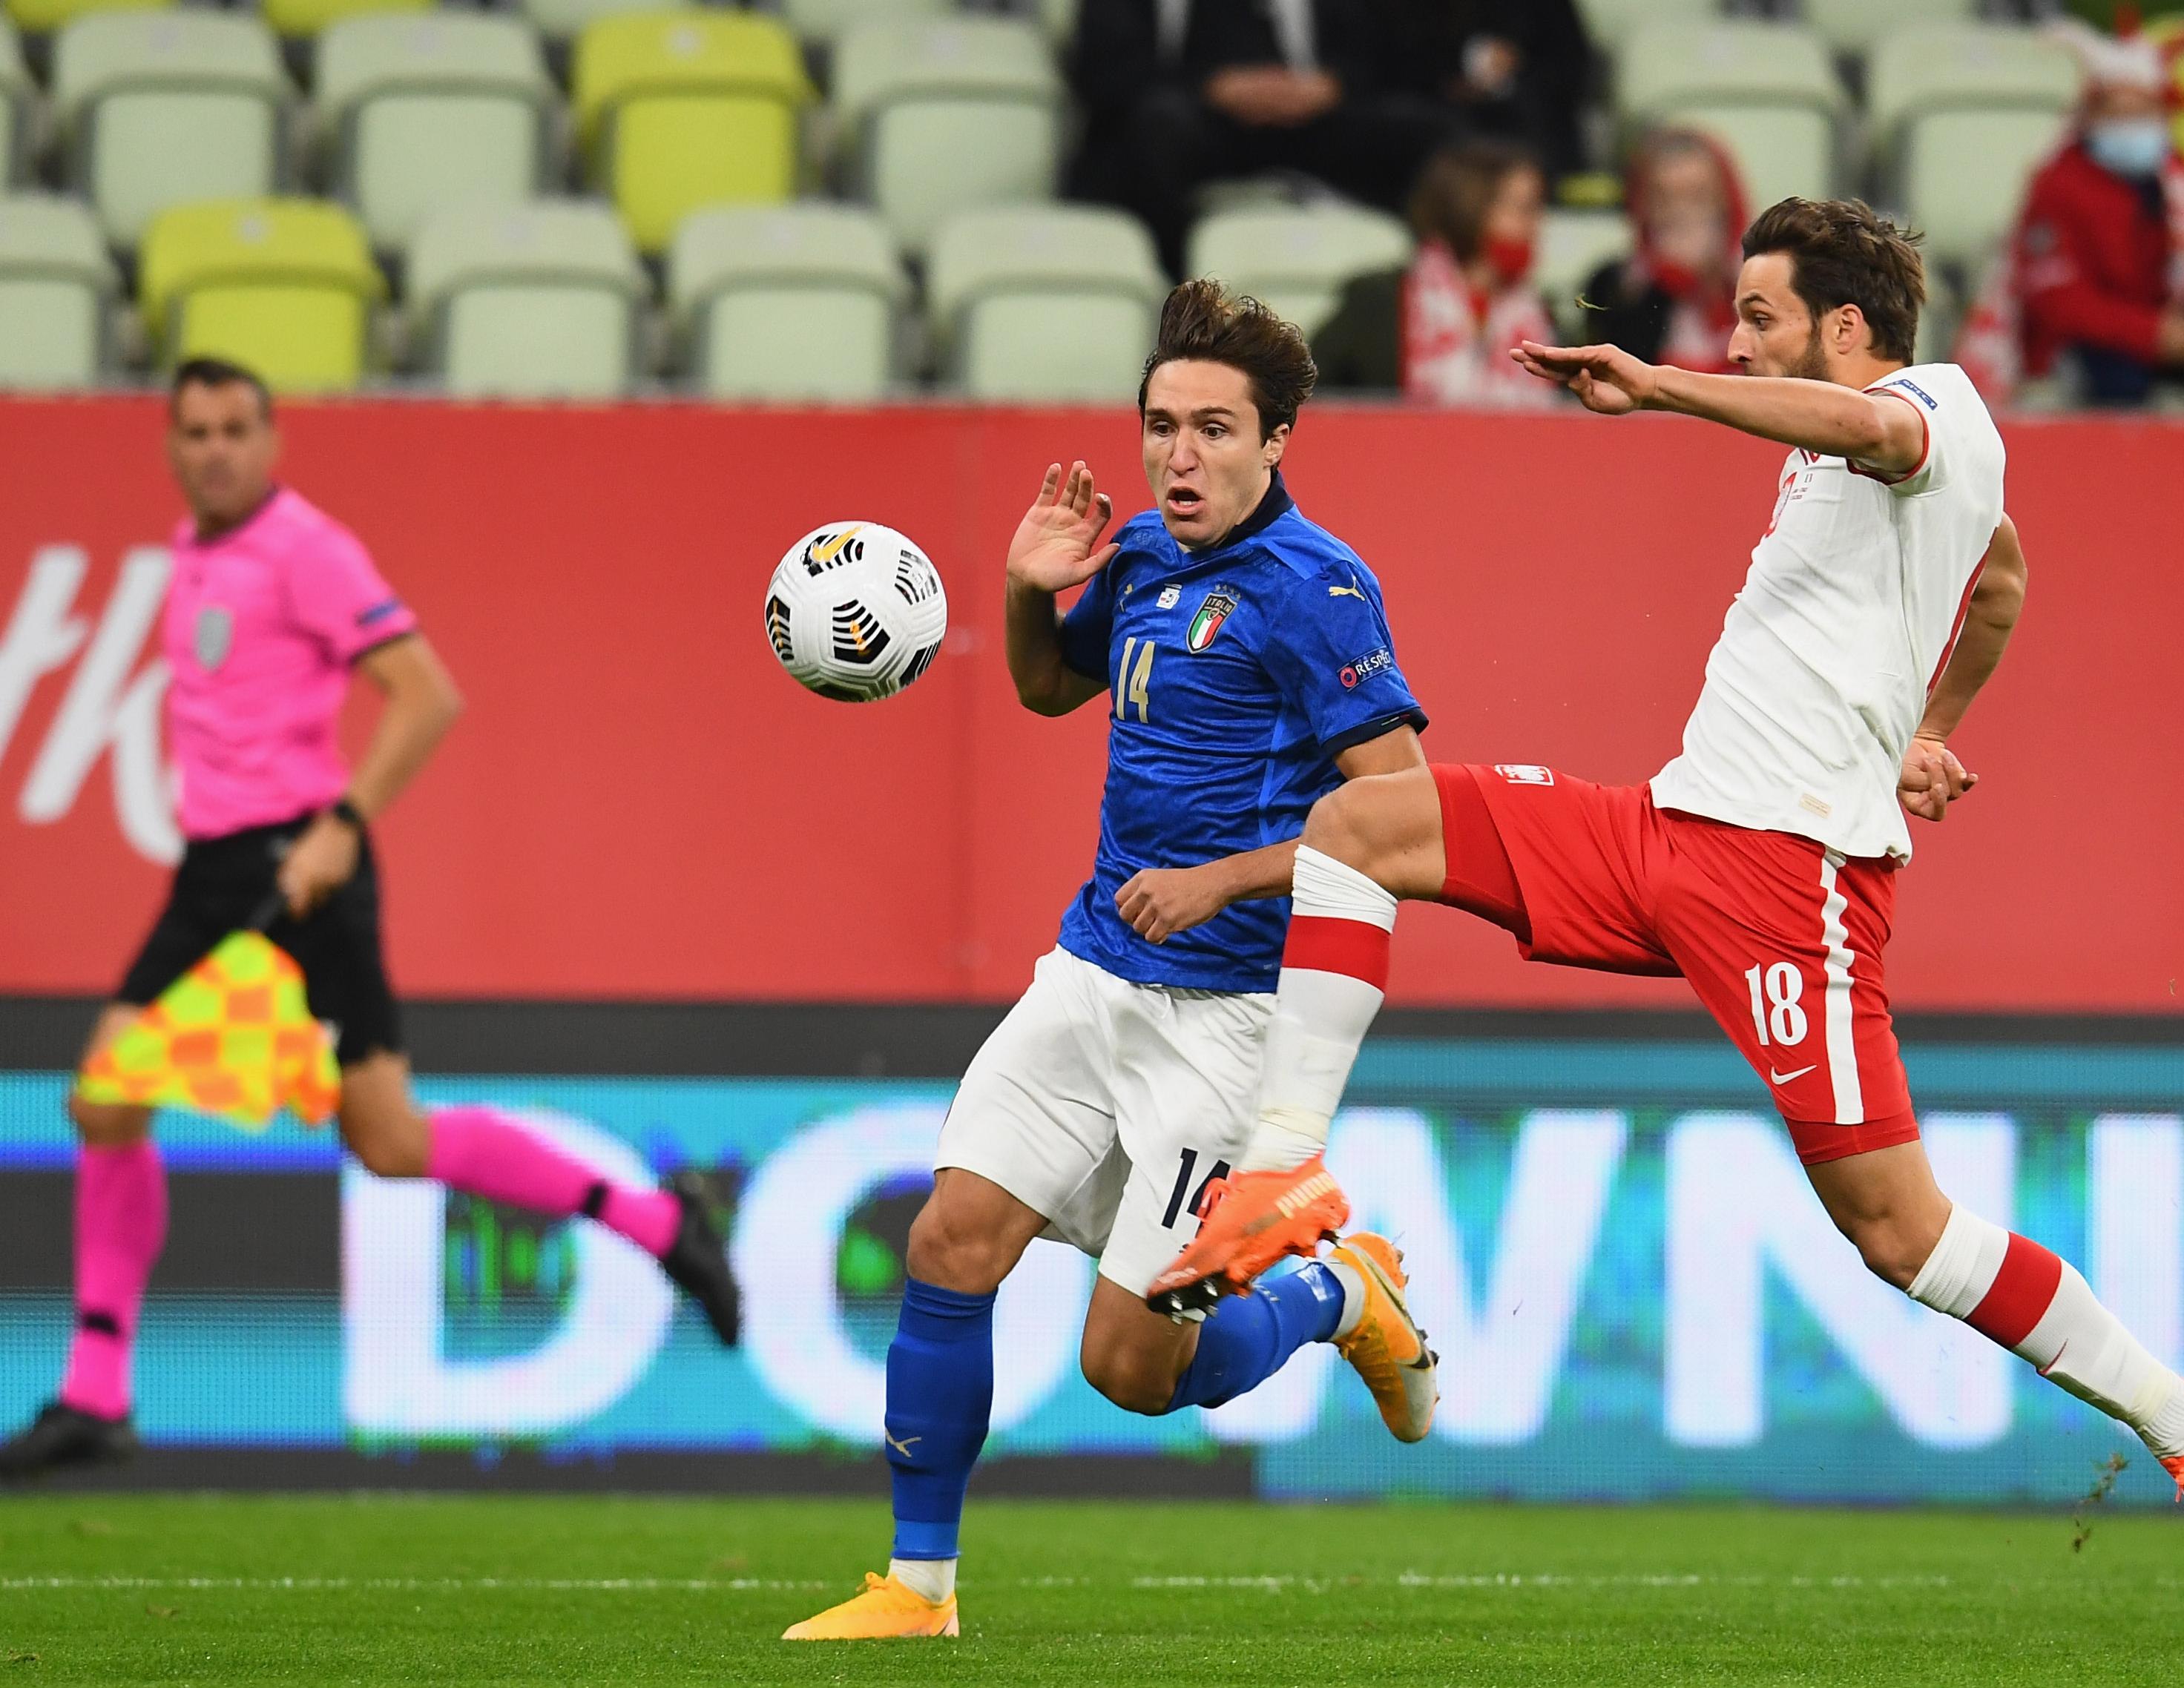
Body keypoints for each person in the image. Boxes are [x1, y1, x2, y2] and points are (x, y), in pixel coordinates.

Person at [1152, 199, 2184, 1606]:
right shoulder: (1859, 464)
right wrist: (1924, 728)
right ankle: (1282, 1167)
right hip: (1667, 830)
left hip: (1785, 882)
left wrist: (1657, 386)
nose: (1737, 345)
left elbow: (1894, 451)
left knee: (1898, 1234)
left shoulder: (1937, 410)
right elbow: (1995, 580)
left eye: (1759, 319)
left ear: (1845, 330)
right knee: (1358, 826)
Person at [780, 281, 1440, 1644]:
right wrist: (1028, 590)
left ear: (1276, 442)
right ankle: (918, 1591)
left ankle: (1336, 1289)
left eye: (1211, 429)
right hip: (1089, 977)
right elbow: (1040, 688)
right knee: (949, 1239)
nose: (1178, 456)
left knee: (1130, 1372)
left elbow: (1406, 815)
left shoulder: (1319, 592)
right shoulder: (1135, 556)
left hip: (1229, 1018)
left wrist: (1221, 877)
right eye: (1159, 426)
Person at [0, 359, 741, 1479]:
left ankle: (99, 1391)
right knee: (206, 1113)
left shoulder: (307, 548)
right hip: (213, 874)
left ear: (270, 437)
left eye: (234, 429)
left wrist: (342, 822)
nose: (213, 450)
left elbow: (426, 691)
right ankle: (656, 1224)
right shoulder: (195, 551)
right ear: (170, 444)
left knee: (217, 1112)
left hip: (299, 874)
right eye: (193, 431)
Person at [1964, 23, 2184, 408]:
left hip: (2169, 338)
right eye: (2118, 112)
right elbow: (2060, 304)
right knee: (2116, 379)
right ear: (2092, 115)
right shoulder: (2058, 184)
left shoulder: (2181, 183)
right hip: (2094, 346)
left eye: (2143, 111)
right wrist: (2158, 335)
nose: (2132, 125)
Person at [1067, 0, 1450, 274]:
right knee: (1154, 129)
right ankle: (1176, 283)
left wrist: (1334, 85)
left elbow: (1391, 58)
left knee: (1422, 131)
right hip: (1194, 121)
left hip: (1309, 123)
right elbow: (1102, 74)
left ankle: (1428, 285)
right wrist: (1210, 85)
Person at [1312, 137, 1558, 405]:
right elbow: (1309, 391)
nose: (1536, 225)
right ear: (1468, 207)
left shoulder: (1539, 314)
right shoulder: (1379, 301)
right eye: (1523, 209)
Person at [1577, 127, 1750, 375]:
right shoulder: (1614, 287)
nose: (1680, 214)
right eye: (1664, 199)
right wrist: (1671, 282)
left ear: (1726, 203)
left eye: (1697, 197)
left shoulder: (1760, 281)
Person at [1368, 0, 1591, 179]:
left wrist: (1515, 69)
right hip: (1439, 118)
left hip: (1529, 122)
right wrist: (1455, 82)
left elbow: (1573, 68)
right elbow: (1389, 68)